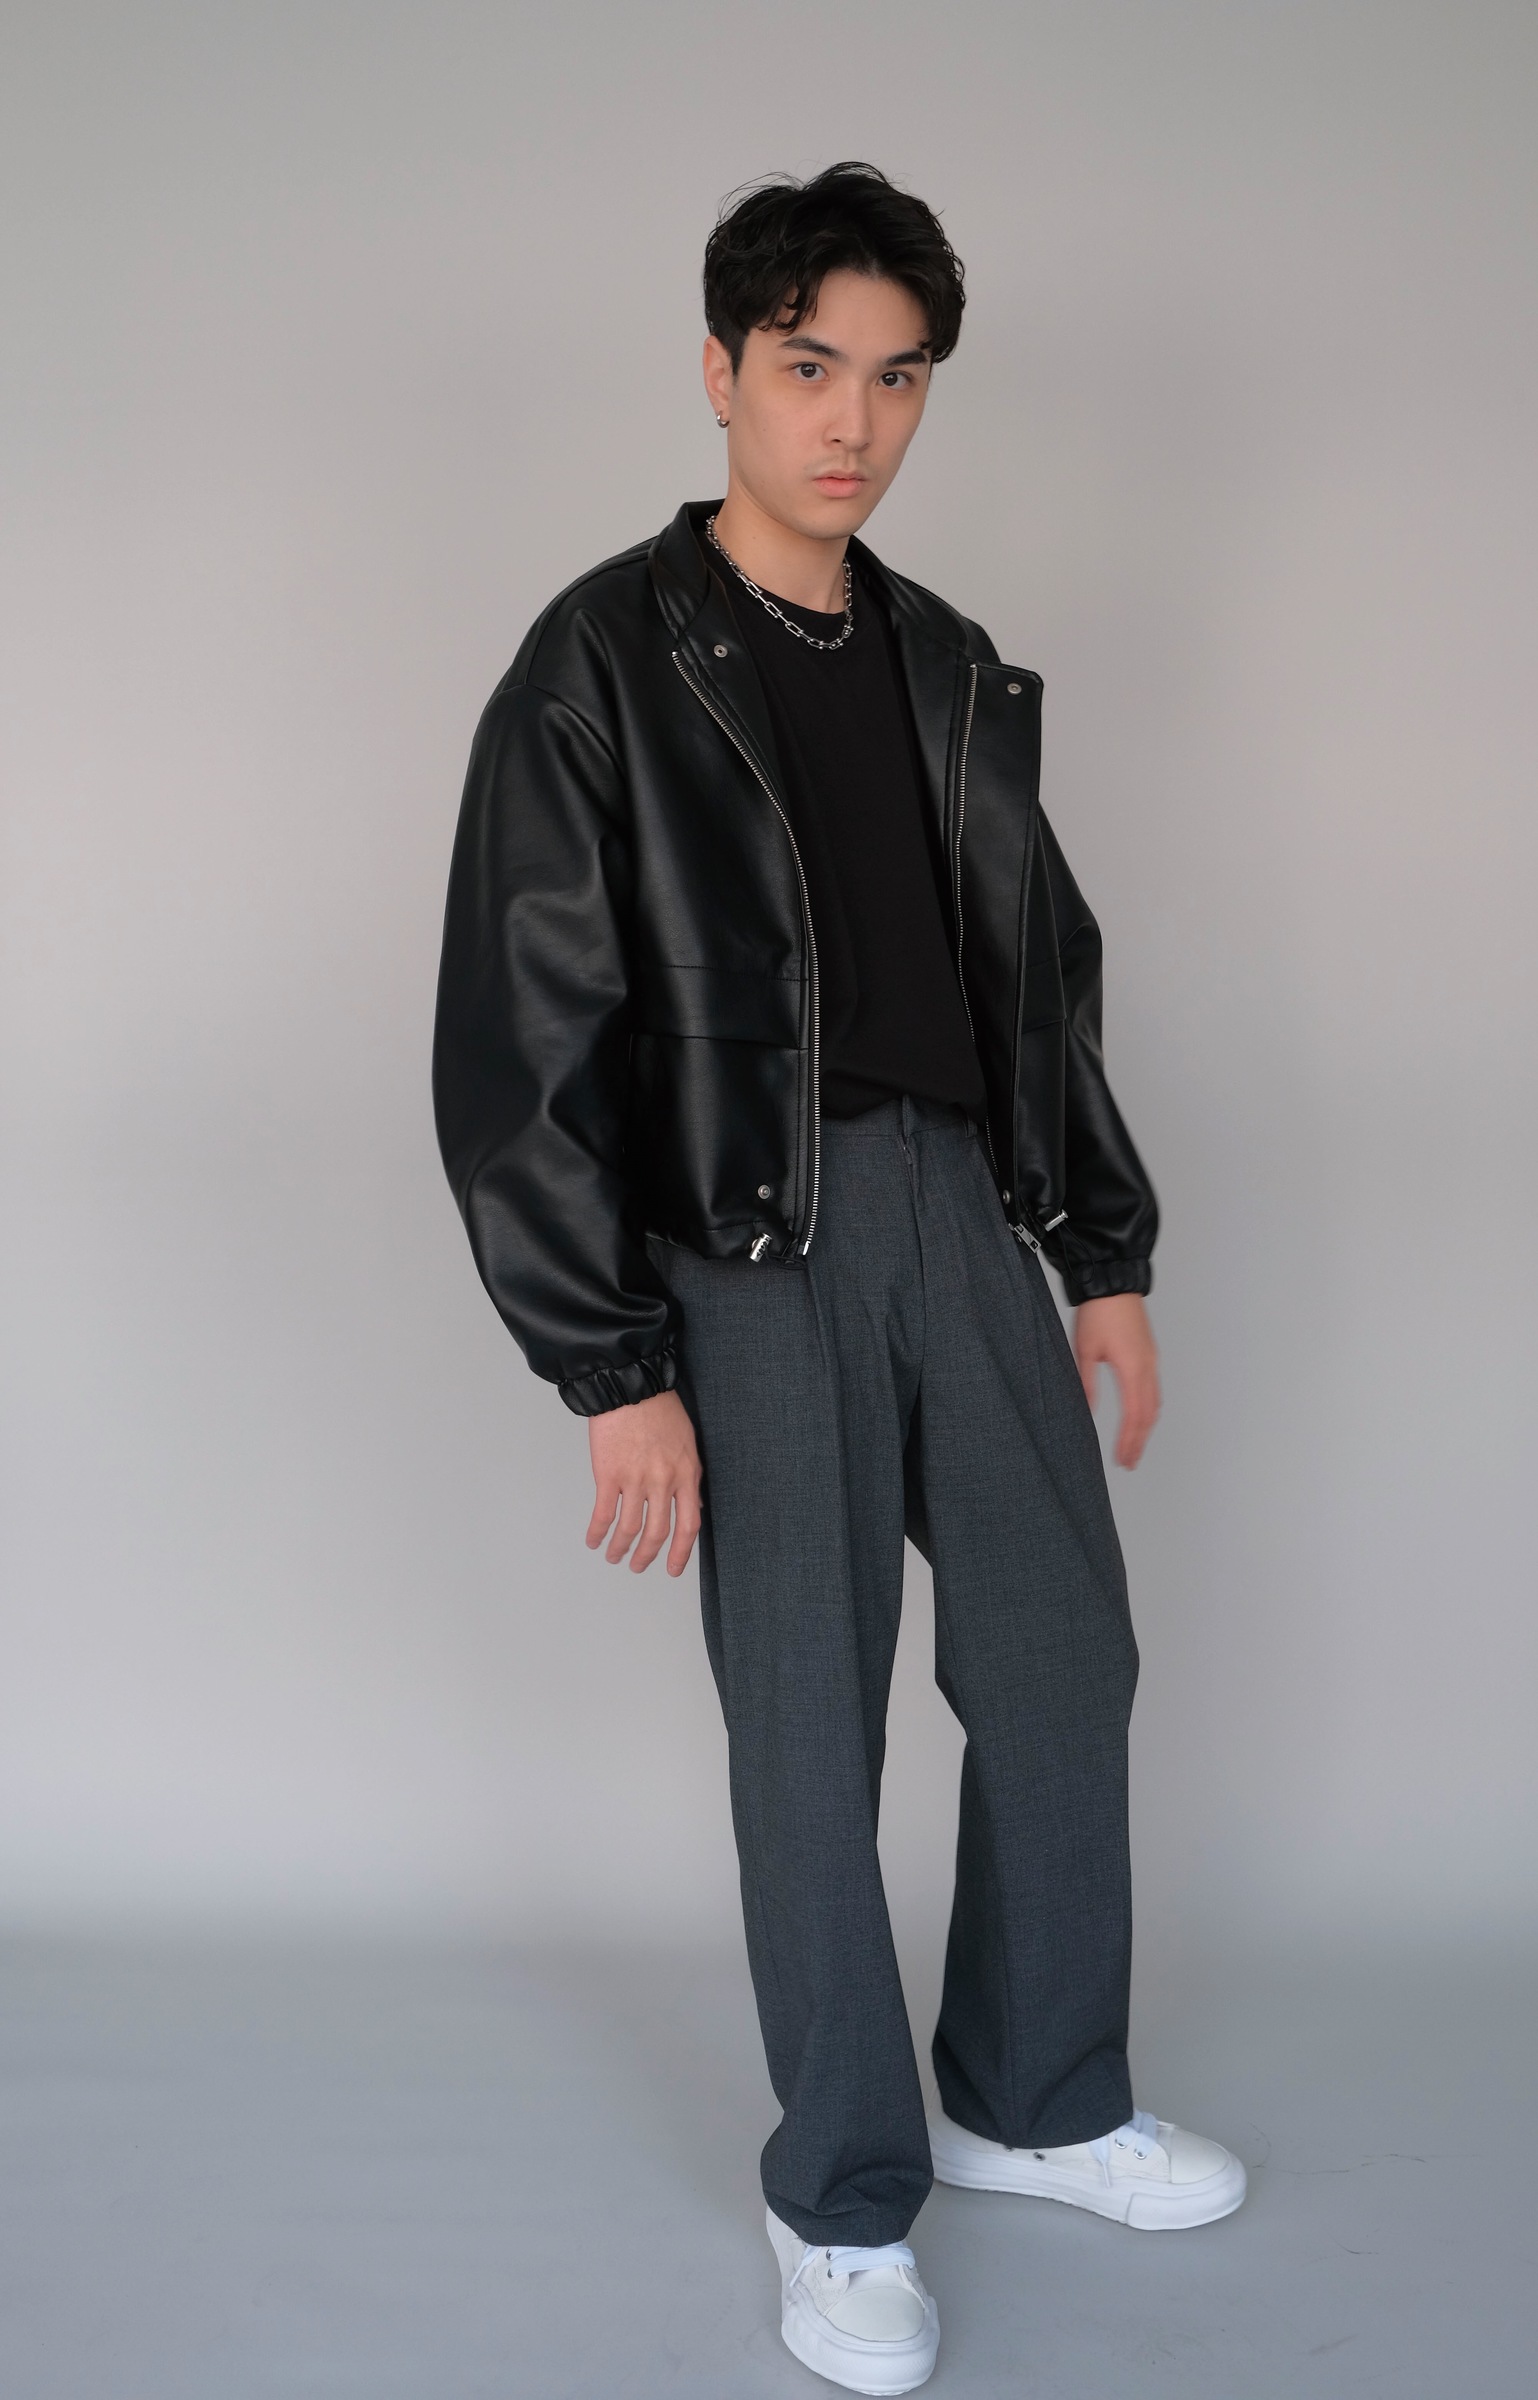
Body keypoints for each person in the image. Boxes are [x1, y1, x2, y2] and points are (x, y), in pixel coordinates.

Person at [433, 161, 1244, 2395]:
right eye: (809, 367)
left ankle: (1034, 2098)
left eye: (895, 378)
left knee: (1061, 1664)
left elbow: (1038, 975)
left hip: (958, 1211)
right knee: (810, 1732)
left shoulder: (948, 662)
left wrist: (1096, 1250)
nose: (851, 422)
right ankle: (844, 2198)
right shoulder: (602, 661)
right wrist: (609, 1362)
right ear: (719, 372)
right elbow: (521, 1031)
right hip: (748, 1252)